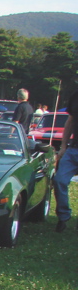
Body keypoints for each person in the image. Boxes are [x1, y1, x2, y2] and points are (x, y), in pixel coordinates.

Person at [53, 88, 78, 232]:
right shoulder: (75, 94)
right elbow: (70, 120)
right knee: (59, 180)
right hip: (73, 149)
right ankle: (63, 217)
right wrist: (63, 146)